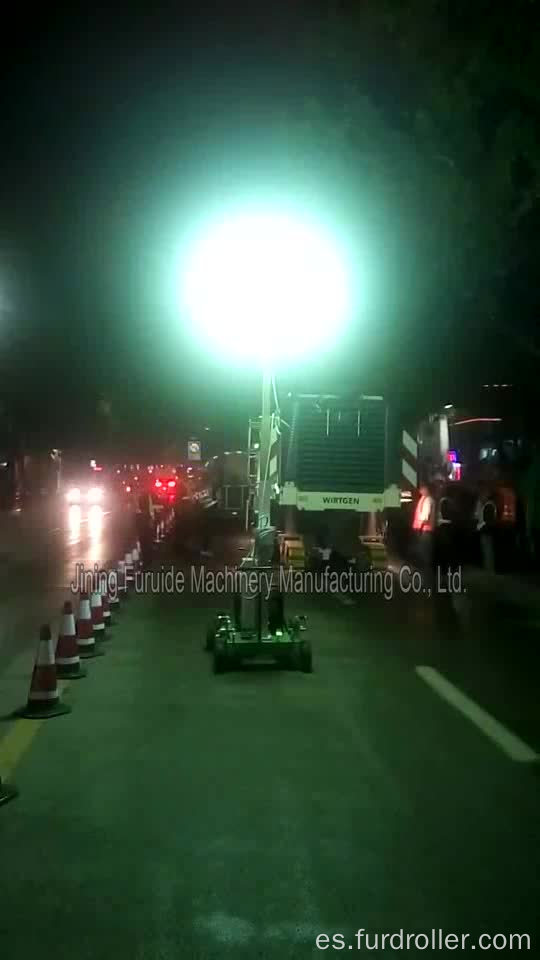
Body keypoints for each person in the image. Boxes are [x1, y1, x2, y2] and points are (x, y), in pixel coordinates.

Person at [136, 491, 155, 566]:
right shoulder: (147, 496)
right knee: (147, 542)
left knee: (144, 542)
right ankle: (148, 559)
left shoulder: (140, 515)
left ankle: (146, 560)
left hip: (143, 523)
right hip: (146, 520)